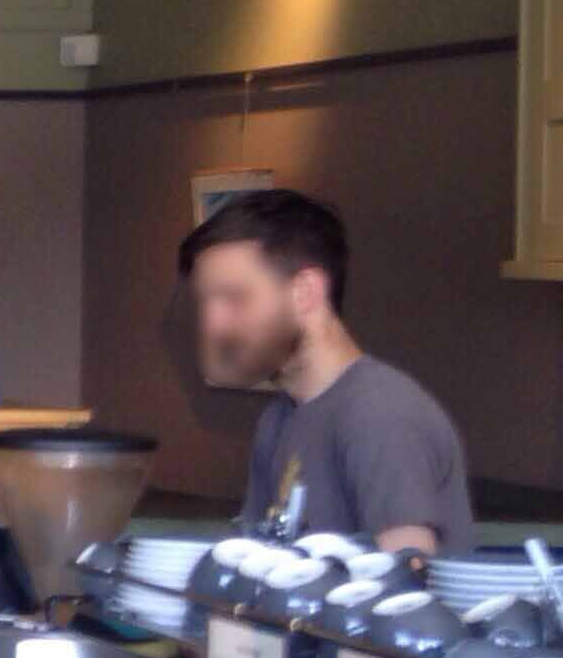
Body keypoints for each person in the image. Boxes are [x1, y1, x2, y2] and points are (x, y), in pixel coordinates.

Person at [178, 188, 473, 553]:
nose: (213, 324)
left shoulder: (380, 413)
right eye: (206, 302)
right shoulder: (279, 418)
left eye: (234, 298)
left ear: (305, 292)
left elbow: (408, 574)